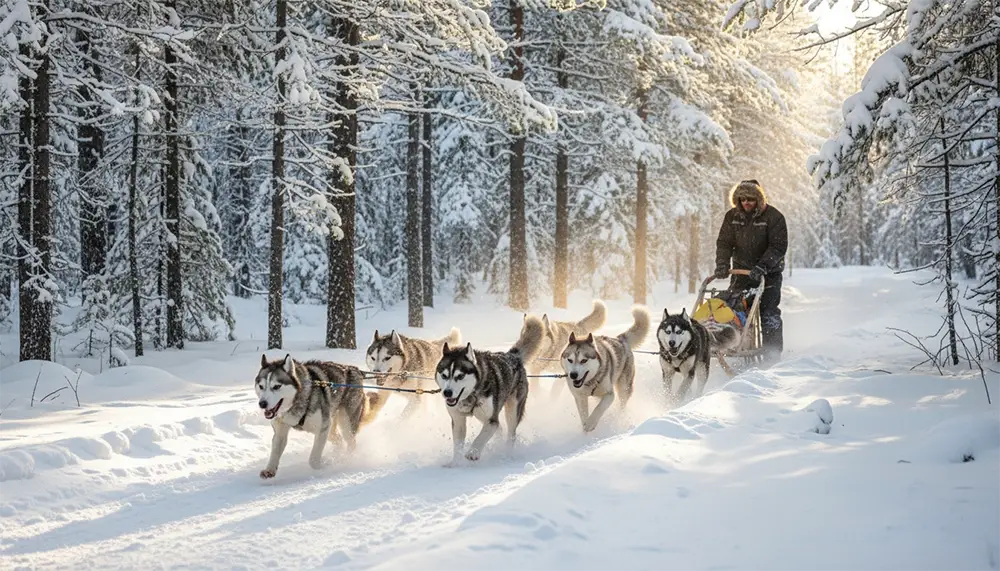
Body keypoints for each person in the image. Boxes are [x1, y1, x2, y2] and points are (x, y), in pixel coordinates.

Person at [713, 179, 788, 364]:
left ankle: (772, 354)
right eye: (742, 198)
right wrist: (722, 264)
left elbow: (778, 247)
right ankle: (736, 346)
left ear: (758, 199)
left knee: (768, 311)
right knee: (735, 310)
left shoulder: (774, 217)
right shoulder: (732, 217)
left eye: (751, 198)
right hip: (741, 273)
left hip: (768, 274)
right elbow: (724, 243)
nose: (746, 202)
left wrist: (763, 266)